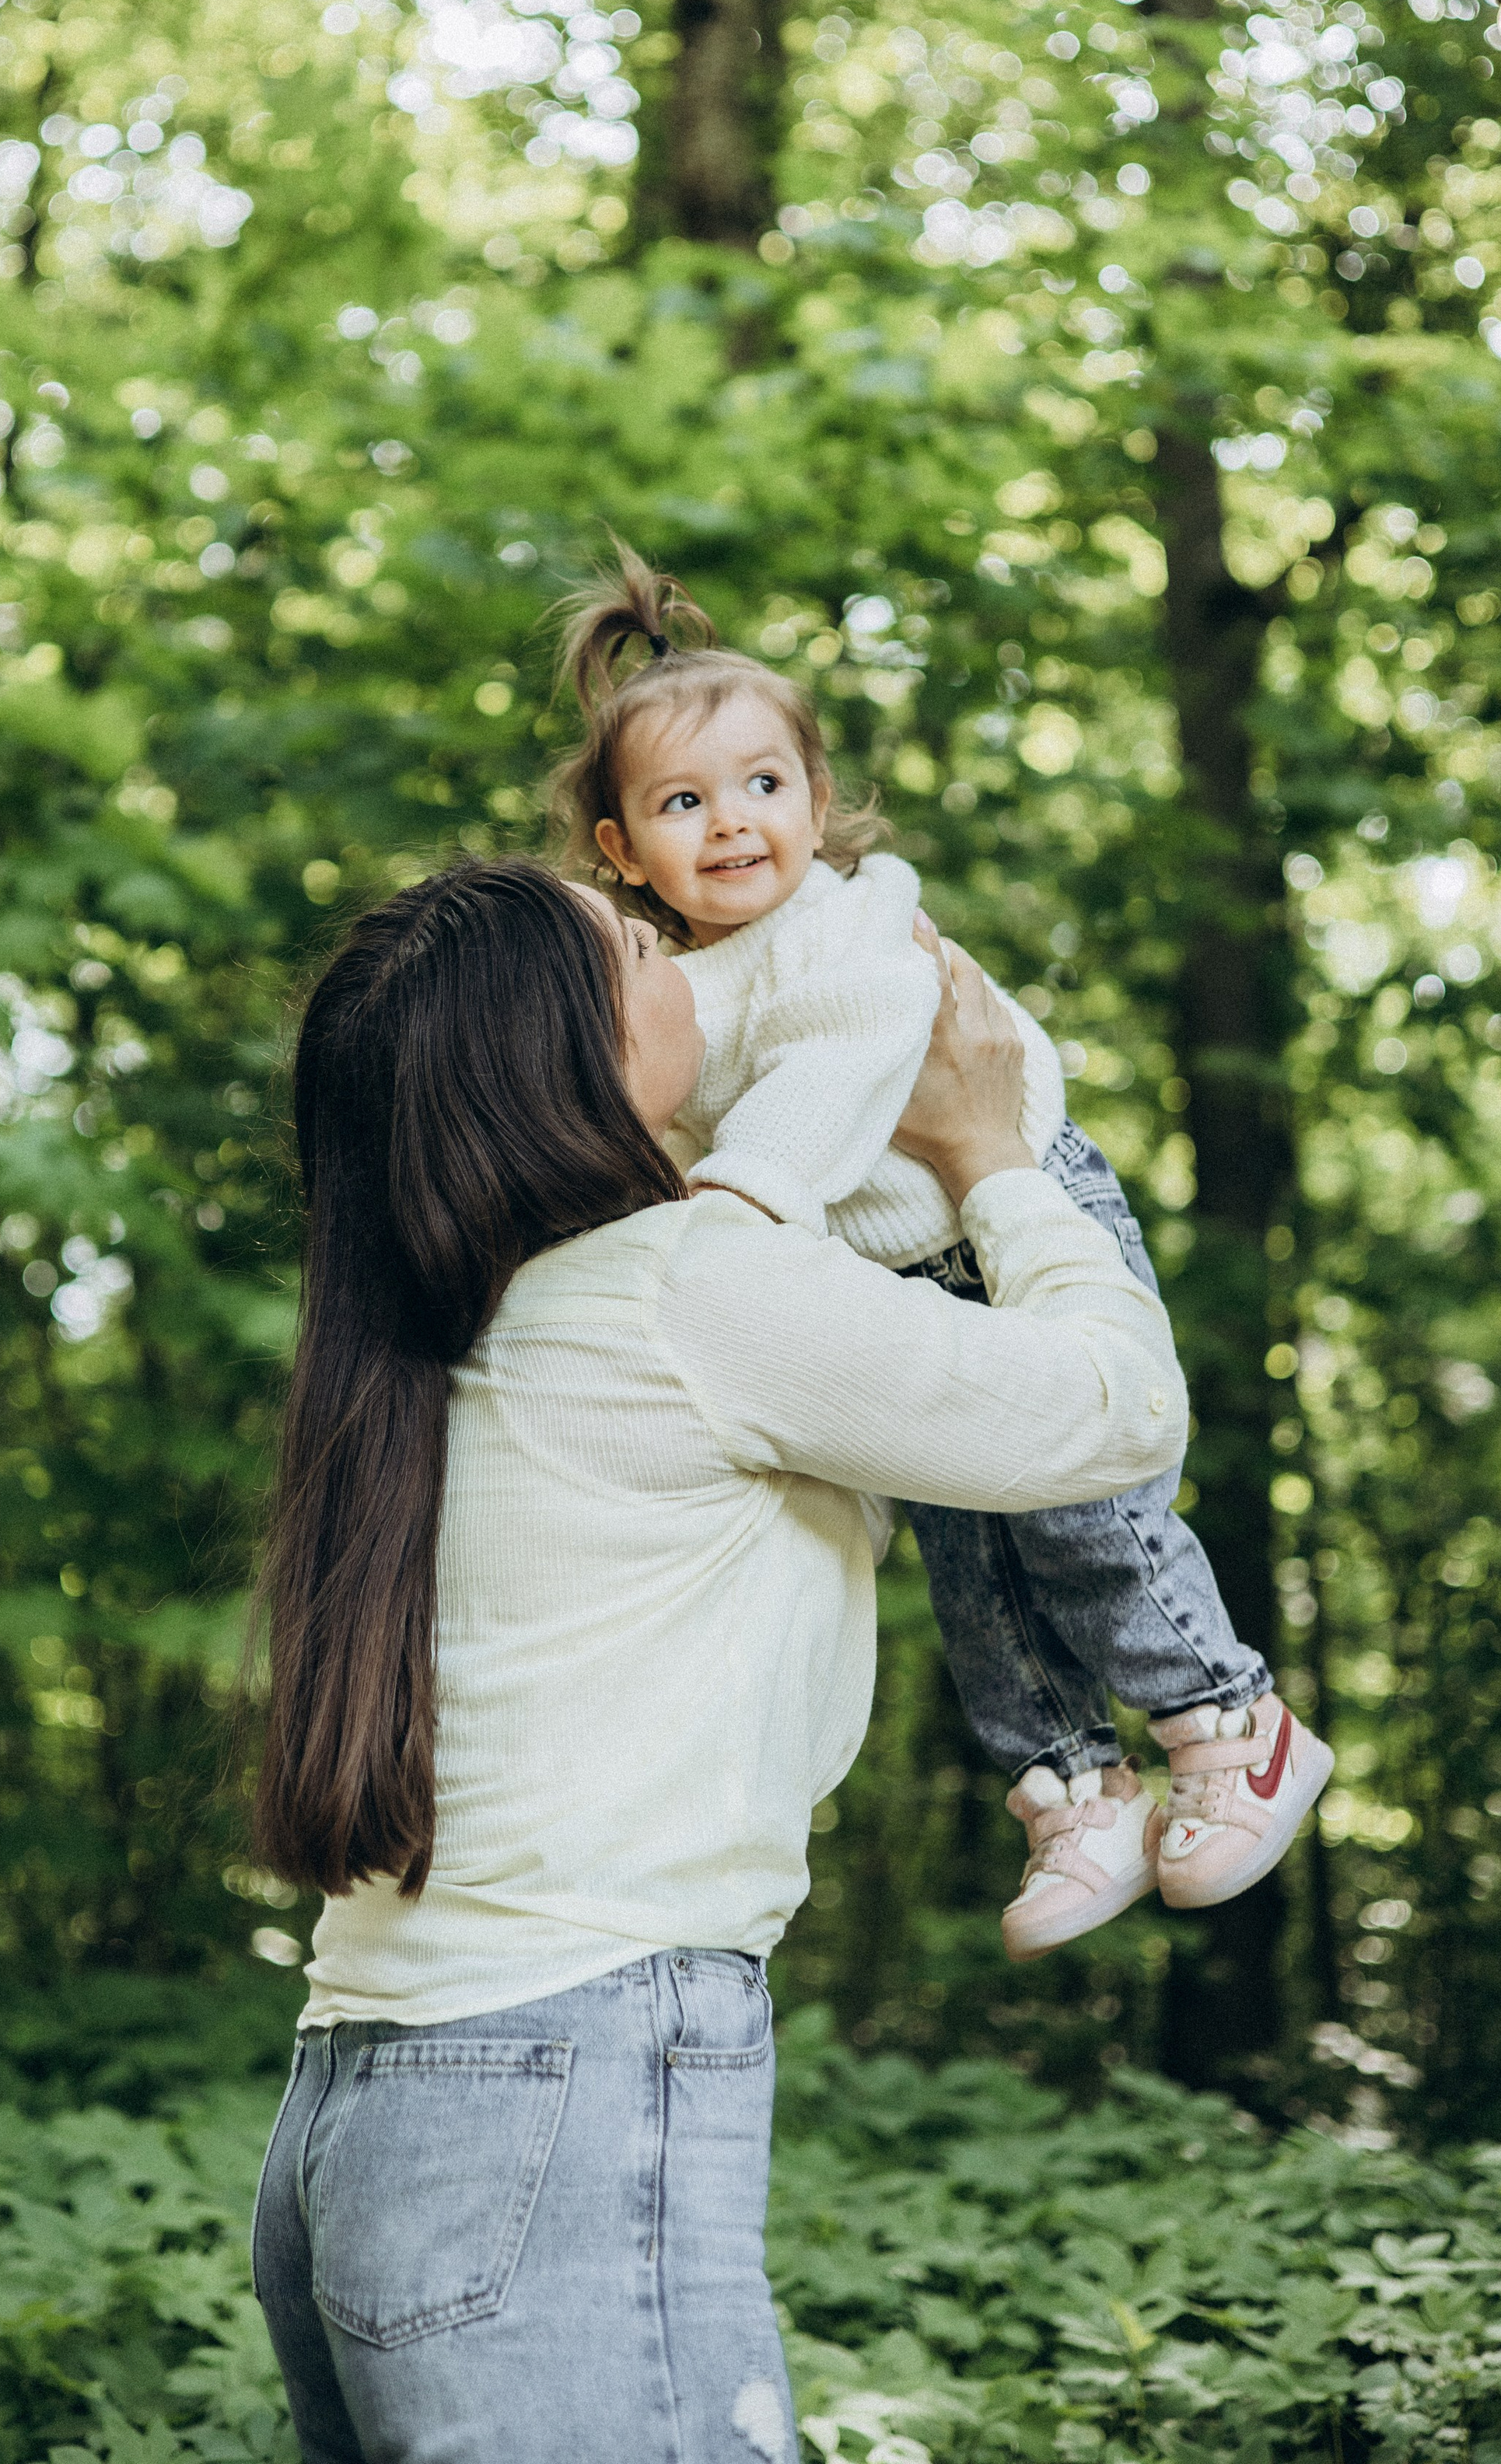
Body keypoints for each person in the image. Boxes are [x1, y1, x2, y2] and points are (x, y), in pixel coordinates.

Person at [248, 852, 1188, 2463]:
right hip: (561, 2079)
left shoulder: (443, 1330)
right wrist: (993, 1160)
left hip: (361, 2109)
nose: (685, 950)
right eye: (636, 943)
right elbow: (1115, 1413)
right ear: (574, 1057)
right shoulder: (687, 1290)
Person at [549, 545, 1331, 1960]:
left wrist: (737, 1210)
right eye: (683, 803)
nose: (732, 823)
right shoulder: (668, 990)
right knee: (970, 1556)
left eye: (763, 785)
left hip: (1017, 1212)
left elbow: (840, 1066)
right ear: (621, 849)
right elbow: (654, 1134)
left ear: (819, 799)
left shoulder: (849, 923)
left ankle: (1230, 1720)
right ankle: (1075, 1791)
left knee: (1083, 1515)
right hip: (892, 1281)